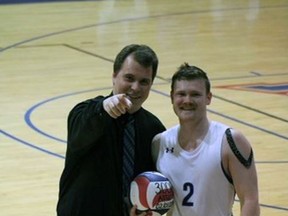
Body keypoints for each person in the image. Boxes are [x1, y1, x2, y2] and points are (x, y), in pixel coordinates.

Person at [56, 44, 166, 216]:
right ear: (114, 76)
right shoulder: (84, 113)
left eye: (144, 81)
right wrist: (103, 108)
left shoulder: (154, 128)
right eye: (129, 78)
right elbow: (82, 132)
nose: (136, 87)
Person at [150, 63, 260, 216]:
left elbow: (250, 199)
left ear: (208, 98)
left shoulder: (230, 140)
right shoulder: (159, 143)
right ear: (172, 97)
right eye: (181, 94)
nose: (187, 100)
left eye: (195, 94)